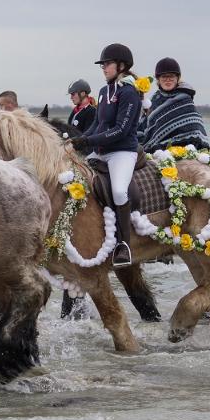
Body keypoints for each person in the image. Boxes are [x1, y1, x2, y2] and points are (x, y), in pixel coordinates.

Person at [70, 43, 142, 267]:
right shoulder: (104, 92)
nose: (104, 68)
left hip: (122, 152)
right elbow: (98, 125)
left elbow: (120, 129)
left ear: (121, 66)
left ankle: (124, 245)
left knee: (120, 191)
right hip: (101, 152)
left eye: (107, 64)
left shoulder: (129, 92)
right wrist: (76, 143)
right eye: (103, 64)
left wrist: (89, 140)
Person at [137, 57, 209, 153]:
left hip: (185, 149)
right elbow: (147, 125)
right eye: (164, 77)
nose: (168, 80)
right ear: (158, 79)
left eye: (171, 76)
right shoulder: (155, 99)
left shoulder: (185, 99)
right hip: (158, 150)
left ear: (177, 78)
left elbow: (194, 128)